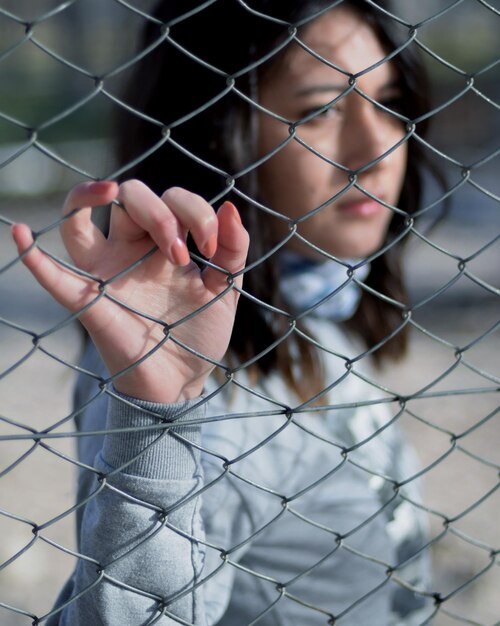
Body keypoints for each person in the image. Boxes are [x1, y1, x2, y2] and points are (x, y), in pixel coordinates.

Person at [11, 1, 441, 624]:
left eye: (390, 101)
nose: (377, 150)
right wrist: (157, 423)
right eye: (319, 111)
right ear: (219, 128)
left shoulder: (309, 304)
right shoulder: (208, 392)